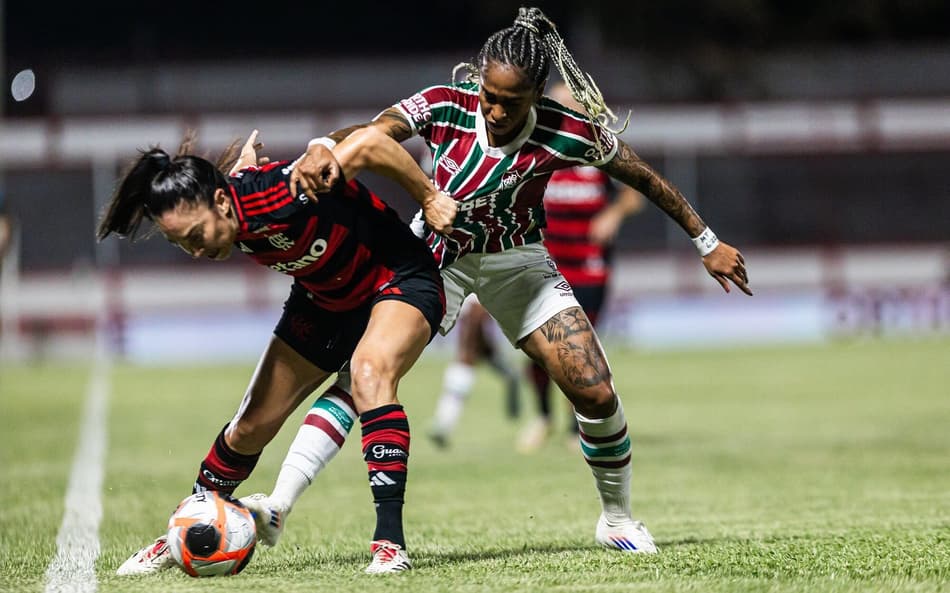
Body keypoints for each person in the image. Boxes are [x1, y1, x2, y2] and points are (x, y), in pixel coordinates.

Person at [244, 6, 751, 556]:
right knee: (366, 374)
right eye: (489, 95)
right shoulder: (446, 104)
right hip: (434, 257)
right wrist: (324, 145)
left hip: (519, 262)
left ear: (536, 95)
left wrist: (707, 241)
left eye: (512, 102)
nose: (496, 110)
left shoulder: (566, 131)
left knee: (596, 390)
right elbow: (376, 132)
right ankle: (278, 505)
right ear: (479, 79)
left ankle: (617, 520)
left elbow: (643, 176)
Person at [102, 127, 453, 575]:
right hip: (325, 299)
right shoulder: (229, 204)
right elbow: (238, 185)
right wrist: (242, 171)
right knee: (249, 426)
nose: (196, 251)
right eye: (182, 243)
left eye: (196, 235)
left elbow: (370, 143)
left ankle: (390, 543)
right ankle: (188, 527)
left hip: (398, 277)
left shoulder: (283, 190)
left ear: (221, 203)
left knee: (369, 374)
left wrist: (428, 196)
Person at [518, 81, 645, 453]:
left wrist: (613, 214)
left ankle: (579, 428)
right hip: (544, 267)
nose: (566, 108)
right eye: (559, 102)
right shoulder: (536, 149)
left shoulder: (598, 150)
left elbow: (635, 193)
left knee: (579, 350)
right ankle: (543, 417)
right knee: (538, 349)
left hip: (589, 268)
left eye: (572, 102)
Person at [428, 294, 521, 448]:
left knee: (512, 377)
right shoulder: (476, 305)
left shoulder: (470, 304)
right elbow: (476, 332)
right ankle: (442, 427)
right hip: (468, 359)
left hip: (469, 357)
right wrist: (490, 351)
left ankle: (442, 426)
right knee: (456, 392)